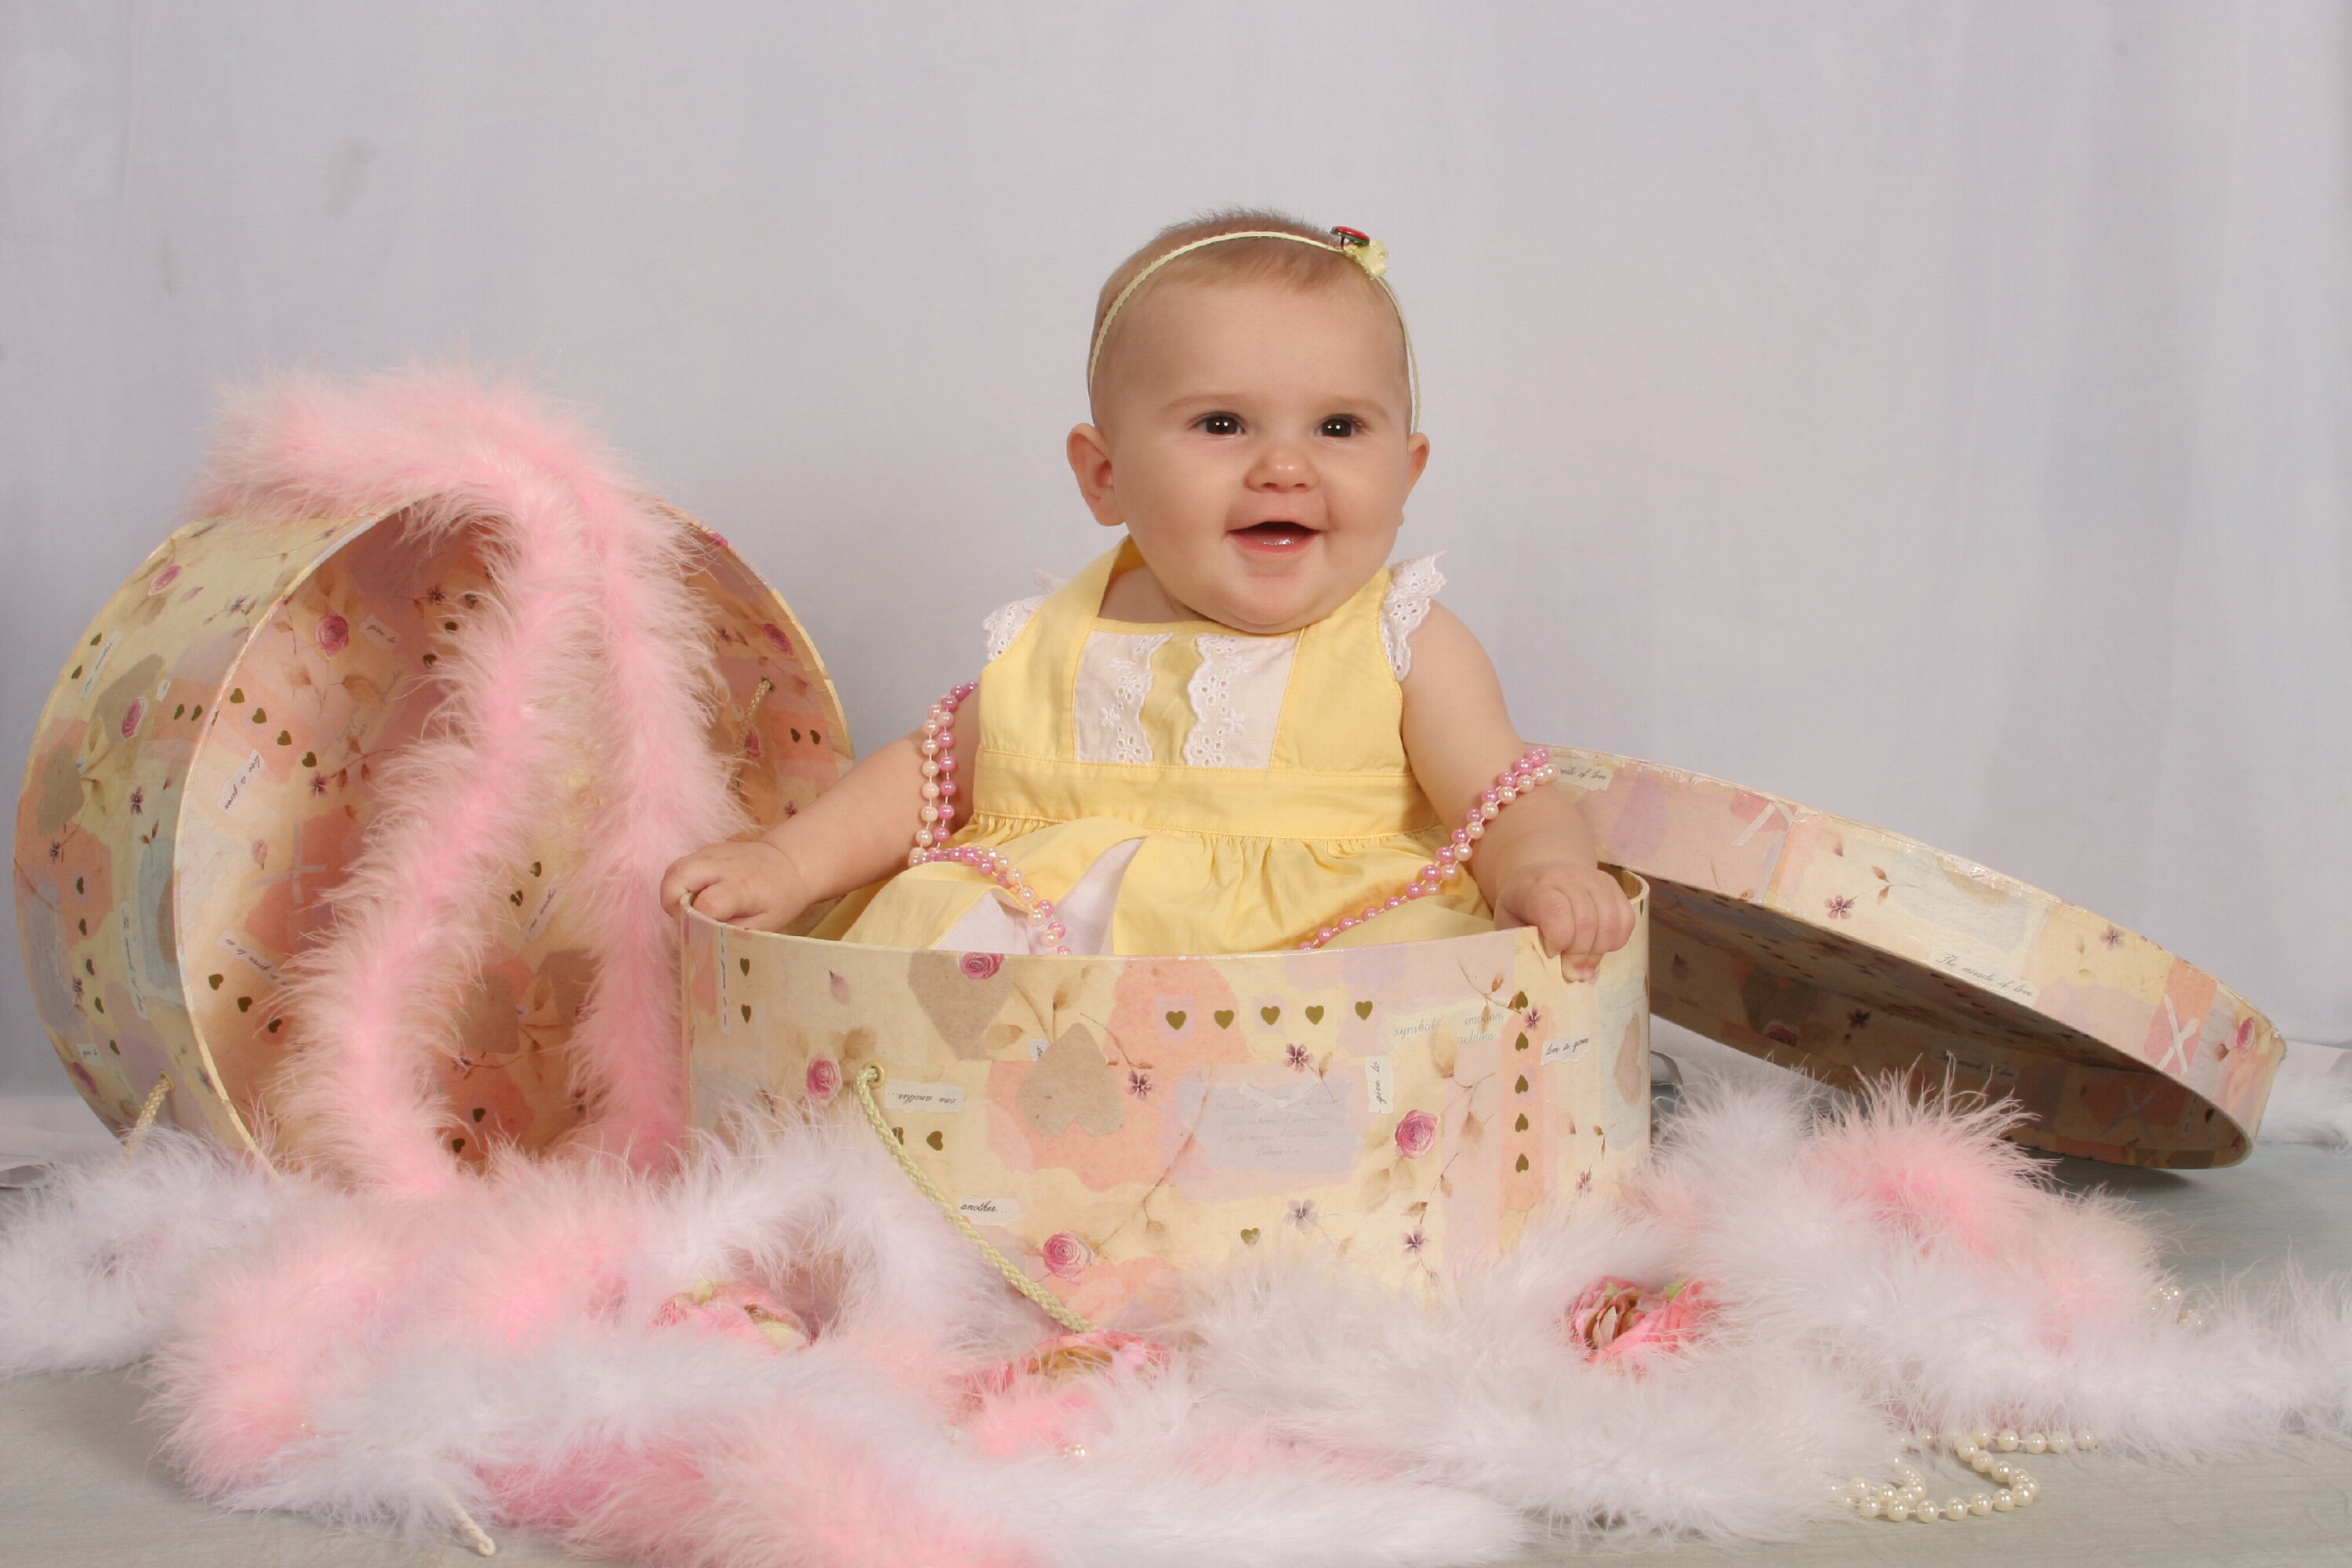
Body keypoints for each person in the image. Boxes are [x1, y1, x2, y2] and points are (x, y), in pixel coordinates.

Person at [660, 210, 1635, 961]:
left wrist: (1546, 868)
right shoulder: (1056, 636)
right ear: (1106, 476)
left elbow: (1505, 798)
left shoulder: (1404, 641)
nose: (1284, 466)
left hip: (1312, 991)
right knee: (925, 968)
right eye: (1222, 424)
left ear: (1407, 473)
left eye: (1339, 427)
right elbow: (928, 776)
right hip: (1039, 1003)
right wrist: (788, 861)